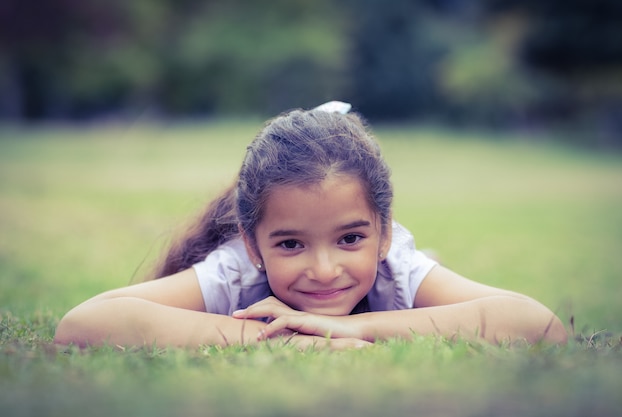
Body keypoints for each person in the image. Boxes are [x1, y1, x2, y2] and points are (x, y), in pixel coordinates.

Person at [54, 102, 568, 350]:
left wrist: (353, 326)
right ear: (254, 246)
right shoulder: (236, 270)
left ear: (384, 233)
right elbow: (80, 326)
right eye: (291, 244)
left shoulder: (394, 264)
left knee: (423, 271)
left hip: (397, 277)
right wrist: (283, 338)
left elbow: (540, 327)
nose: (324, 270)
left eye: (350, 238)